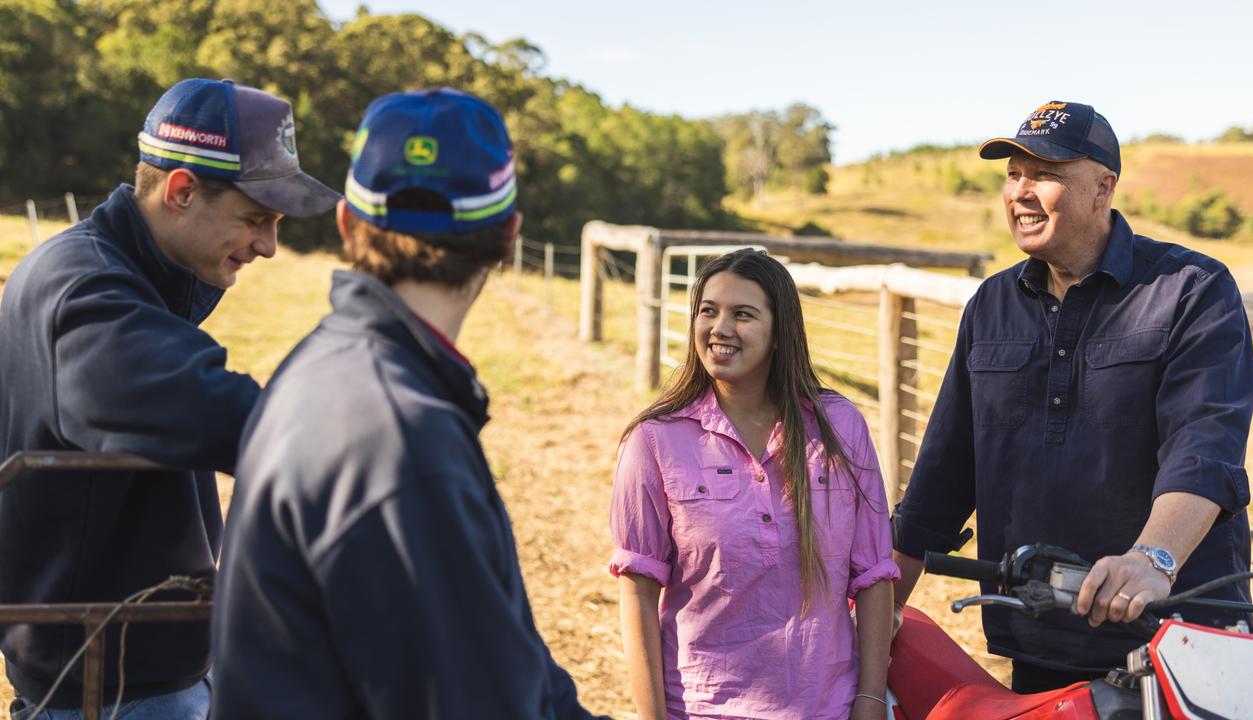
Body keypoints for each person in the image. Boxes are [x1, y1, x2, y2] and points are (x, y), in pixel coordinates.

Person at [210, 88, 606, 719]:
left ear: (346, 222)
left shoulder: (329, 368)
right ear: (509, 235)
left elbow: (509, 663)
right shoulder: (403, 440)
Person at [0, 78, 338, 718]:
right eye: (256, 218)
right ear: (181, 192)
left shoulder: (111, 268)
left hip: (130, 667)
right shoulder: (87, 292)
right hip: (110, 688)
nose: (268, 245)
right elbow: (213, 410)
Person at [891, 100, 1253, 693]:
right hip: (1040, 632)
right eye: (1013, 174)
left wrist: (1151, 560)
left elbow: (1204, 451)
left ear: (1102, 187)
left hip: (1180, 639)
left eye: (1046, 175)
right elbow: (943, 475)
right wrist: (870, 621)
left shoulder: (1192, 290)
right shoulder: (991, 305)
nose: (1022, 192)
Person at [610, 248, 898, 720]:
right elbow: (637, 592)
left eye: (742, 314)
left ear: (780, 332)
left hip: (827, 707)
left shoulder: (840, 428)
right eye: (708, 311)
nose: (720, 329)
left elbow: (873, 574)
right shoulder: (654, 440)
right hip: (700, 709)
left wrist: (868, 701)